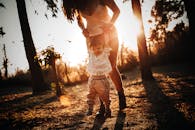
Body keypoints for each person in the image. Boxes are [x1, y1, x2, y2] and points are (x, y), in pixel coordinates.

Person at [62, 0, 126, 111]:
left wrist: (110, 24)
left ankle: (121, 95)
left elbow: (117, 11)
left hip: (110, 35)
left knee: (111, 67)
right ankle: (102, 104)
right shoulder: (79, 4)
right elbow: (79, 19)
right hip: (93, 39)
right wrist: (83, 29)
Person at [86, 34, 112, 118]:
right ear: (92, 48)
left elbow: (107, 43)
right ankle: (90, 109)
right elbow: (88, 43)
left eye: (99, 48)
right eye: (94, 48)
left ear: (103, 47)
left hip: (102, 79)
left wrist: (106, 33)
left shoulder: (105, 53)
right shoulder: (91, 54)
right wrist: (88, 36)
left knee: (105, 96)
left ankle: (108, 109)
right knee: (90, 95)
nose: (97, 50)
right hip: (92, 79)